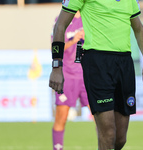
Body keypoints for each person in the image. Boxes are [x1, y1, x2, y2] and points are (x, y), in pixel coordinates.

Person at [49, 0, 143, 149]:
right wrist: (57, 66)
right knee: (108, 135)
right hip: (97, 63)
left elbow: (139, 29)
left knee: (120, 139)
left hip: (124, 63)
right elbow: (60, 25)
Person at [51, 11, 89, 150]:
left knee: (102, 117)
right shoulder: (61, 19)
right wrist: (73, 39)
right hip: (67, 77)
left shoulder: (89, 17)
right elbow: (55, 47)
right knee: (61, 118)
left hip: (88, 75)